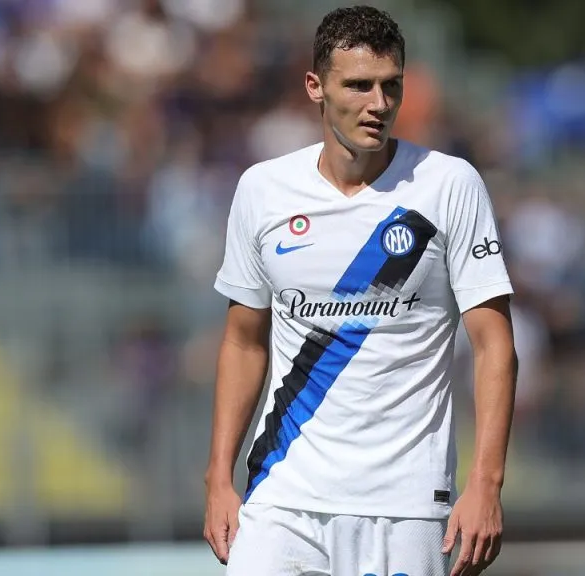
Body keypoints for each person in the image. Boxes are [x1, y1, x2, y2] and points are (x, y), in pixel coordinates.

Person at [203, 6, 518, 575]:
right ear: (315, 87)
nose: (379, 103)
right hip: (283, 495)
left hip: (406, 503)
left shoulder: (449, 185)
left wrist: (486, 483)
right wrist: (218, 478)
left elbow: (495, 345)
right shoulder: (263, 190)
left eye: (391, 85)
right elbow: (243, 341)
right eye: (358, 86)